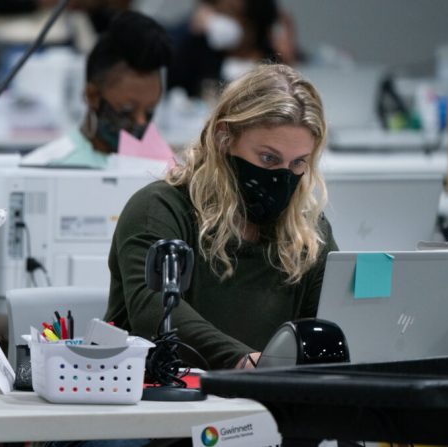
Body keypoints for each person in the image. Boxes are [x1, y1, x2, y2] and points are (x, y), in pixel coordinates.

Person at [105, 63, 337, 370]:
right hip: (170, 402)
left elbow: (331, 322)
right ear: (223, 138)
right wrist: (248, 363)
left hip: (273, 403)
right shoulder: (159, 209)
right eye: (268, 158)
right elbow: (155, 311)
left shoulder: (307, 232)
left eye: (297, 163)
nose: (282, 176)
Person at [20, 10, 172, 168]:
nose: (141, 122)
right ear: (92, 96)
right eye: (127, 110)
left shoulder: (161, 169)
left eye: (149, 111)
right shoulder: (46, 168)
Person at [168, 0, 298, 97]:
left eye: (232, 13)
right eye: (221, 12)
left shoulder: (273, 63)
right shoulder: (202, 52)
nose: (222, 20)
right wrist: (189, 29)